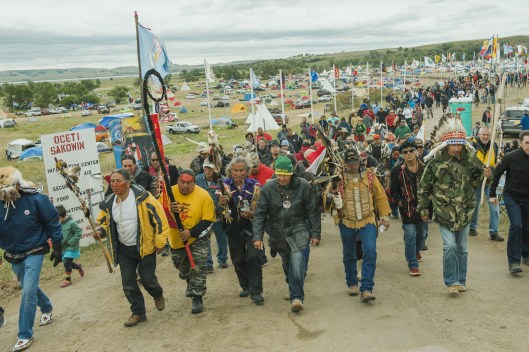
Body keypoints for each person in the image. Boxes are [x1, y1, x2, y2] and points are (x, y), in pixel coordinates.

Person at [417, 114, 490, 295]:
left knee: (463, 249)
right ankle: (451, 280)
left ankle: (461, 280)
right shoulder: (435, 164)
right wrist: (424, 209)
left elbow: (481, 178)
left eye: (459, 144)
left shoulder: (471, 160)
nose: (456, 148)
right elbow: (424, 188)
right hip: (444, 212)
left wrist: (487, 174)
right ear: (446, 144)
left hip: (465, 211)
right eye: (453, 144)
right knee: (449, 246)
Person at [95, 169, 169, 326]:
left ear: (128, 183)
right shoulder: (109, 202)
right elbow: (103, 221)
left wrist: (160, 241)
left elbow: (159, 218)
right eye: (112, 181)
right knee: (128, 282)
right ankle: (138, 313)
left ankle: (157, 293)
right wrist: (100, 231)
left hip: (145, 247)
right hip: (124, 249)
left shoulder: (143, 198)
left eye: (118, 181)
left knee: (147, 279)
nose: (114, 184)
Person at [0, 166, 63, 351]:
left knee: (27, 291)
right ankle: (47, 308)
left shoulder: (36, 200)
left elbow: (52, 221)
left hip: (34, 249)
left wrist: (57, 245)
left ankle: (24, 335)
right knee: (28, 284)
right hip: (13, 253)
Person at [253, 156, 321, 312]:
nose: (282, 178)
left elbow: (312, 210)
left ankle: (296, 297)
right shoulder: (268, 189)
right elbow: (260, 214)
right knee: (287, 263)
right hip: (278, 233)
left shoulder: (303, 186)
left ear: (292, 173)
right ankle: (292, 286)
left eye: (285, 175)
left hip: (299, 229)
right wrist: (257, 237)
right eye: (279, 175)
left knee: (297, 262)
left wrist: (315, 233)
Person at [327, 149, 390, 302]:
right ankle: (352, 283)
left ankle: (367, 288)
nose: (353, 166)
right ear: (344, 163)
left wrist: (384, 216)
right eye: (349, 163)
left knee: (370, 250)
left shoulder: (369, 175)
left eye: (355, 162)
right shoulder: (338, 177)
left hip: (367, 219)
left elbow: (380, 195)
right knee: (349, 254)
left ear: (359, 161)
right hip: (346, 220)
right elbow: (327, 198)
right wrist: (331, 192)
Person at [168, 169, 216, 314]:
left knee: (199, 265)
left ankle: (197, 296)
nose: (185, 186)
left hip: (198, 236)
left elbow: (208, 219)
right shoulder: (169, 194)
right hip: (176, 238)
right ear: (178, 182)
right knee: (182, 266)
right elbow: (159, 212)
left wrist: (191, 232)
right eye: (182, 182)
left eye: (189, 183)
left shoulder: (203, 196)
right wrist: (168, 208)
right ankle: (189, 281)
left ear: (194, 183)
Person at [219, 157, 264, 305]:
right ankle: (246, 286)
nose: (238, 173)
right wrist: (221, 203)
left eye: (242, 170)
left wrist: (252, 214)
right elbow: (217, 208)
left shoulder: (256, 186)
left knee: (253, 256)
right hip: (232, 227)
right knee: (238, 259)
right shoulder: (223, 186)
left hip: (251, 226)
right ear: (230, 171)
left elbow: (263, 209)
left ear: (247, 171)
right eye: (235, 170)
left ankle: (256, 291)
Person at [490, 131, 529, 274]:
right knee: (517, 225)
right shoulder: (510, 157)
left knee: (527, 227)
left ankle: (526, 254)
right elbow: (497, 173)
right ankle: (513, 261)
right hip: (511, 196)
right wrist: (492, 193)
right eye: (526, 143)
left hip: (527, 197)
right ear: (520, 143)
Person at [390, 140, 427, 276]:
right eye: (405, 152)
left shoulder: (425, 166)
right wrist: (401, 202)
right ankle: (412, 264)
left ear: (416, 151)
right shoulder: (396, 171)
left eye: (411, 151)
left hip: (424, 208)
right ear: (402, 155)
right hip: (407, 209)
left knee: (421, 235)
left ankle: (416, 250)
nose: (409, 154)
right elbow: (393, 190)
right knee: (410, 234)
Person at [469, 126, 503, 241]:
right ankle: (472, 227)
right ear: (479, 134)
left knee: (494, 206)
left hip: (490, 181)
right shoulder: (472, 146)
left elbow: (495, 163)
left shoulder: (494, 145)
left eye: (487, 135)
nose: (485, 137)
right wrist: (481, 170)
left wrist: (491, 171)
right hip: (475, 181)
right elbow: (470, 163)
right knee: (475, 204)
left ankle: (494, 232)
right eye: (483, 134)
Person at [195, 160, 229, 272]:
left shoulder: (223, 180)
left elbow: (228, 197)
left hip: (218, 215)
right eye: (205, 168)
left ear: (215, 169)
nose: (207, 171)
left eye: (210, 168)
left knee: (222, 238)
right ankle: (208, 263)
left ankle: (223, 259)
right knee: (205, 239)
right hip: (204, 215)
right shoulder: (197, 179)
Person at [56, 205, 84, 288]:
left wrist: (70, 242)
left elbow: (78, 233)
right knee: (66, 261)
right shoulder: (59, 225)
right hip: (64, 247)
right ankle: (78, 266)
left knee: (66, 262)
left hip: (72, 246)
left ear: (63, 216)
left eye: (58, 218)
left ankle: (68, 279)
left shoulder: (72, 223)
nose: (57, 220)